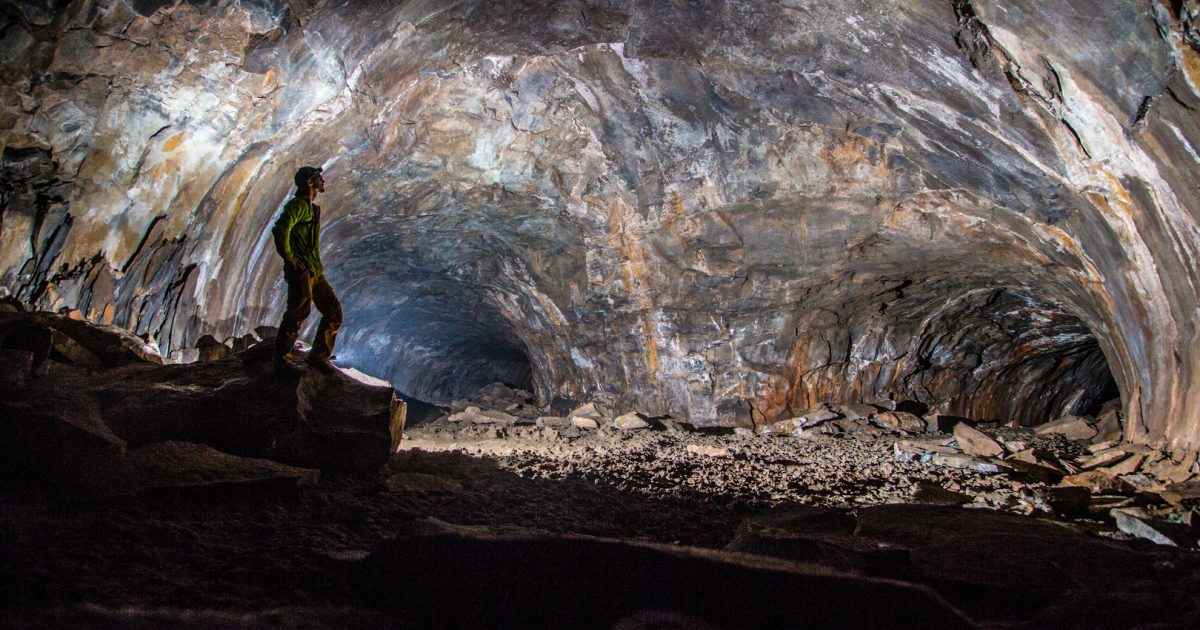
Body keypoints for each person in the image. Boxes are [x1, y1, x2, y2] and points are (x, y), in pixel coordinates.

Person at [271, 166, 342, 375]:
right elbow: (280, 229)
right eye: (318, 178)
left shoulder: (311, 208)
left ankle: (319, 356)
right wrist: (290, 257)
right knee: (299, 311)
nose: (323, 181)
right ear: (310, 183)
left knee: (333, 311)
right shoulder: (298, 206)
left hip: (315, 271)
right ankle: (282, 359)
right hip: (301, 271)